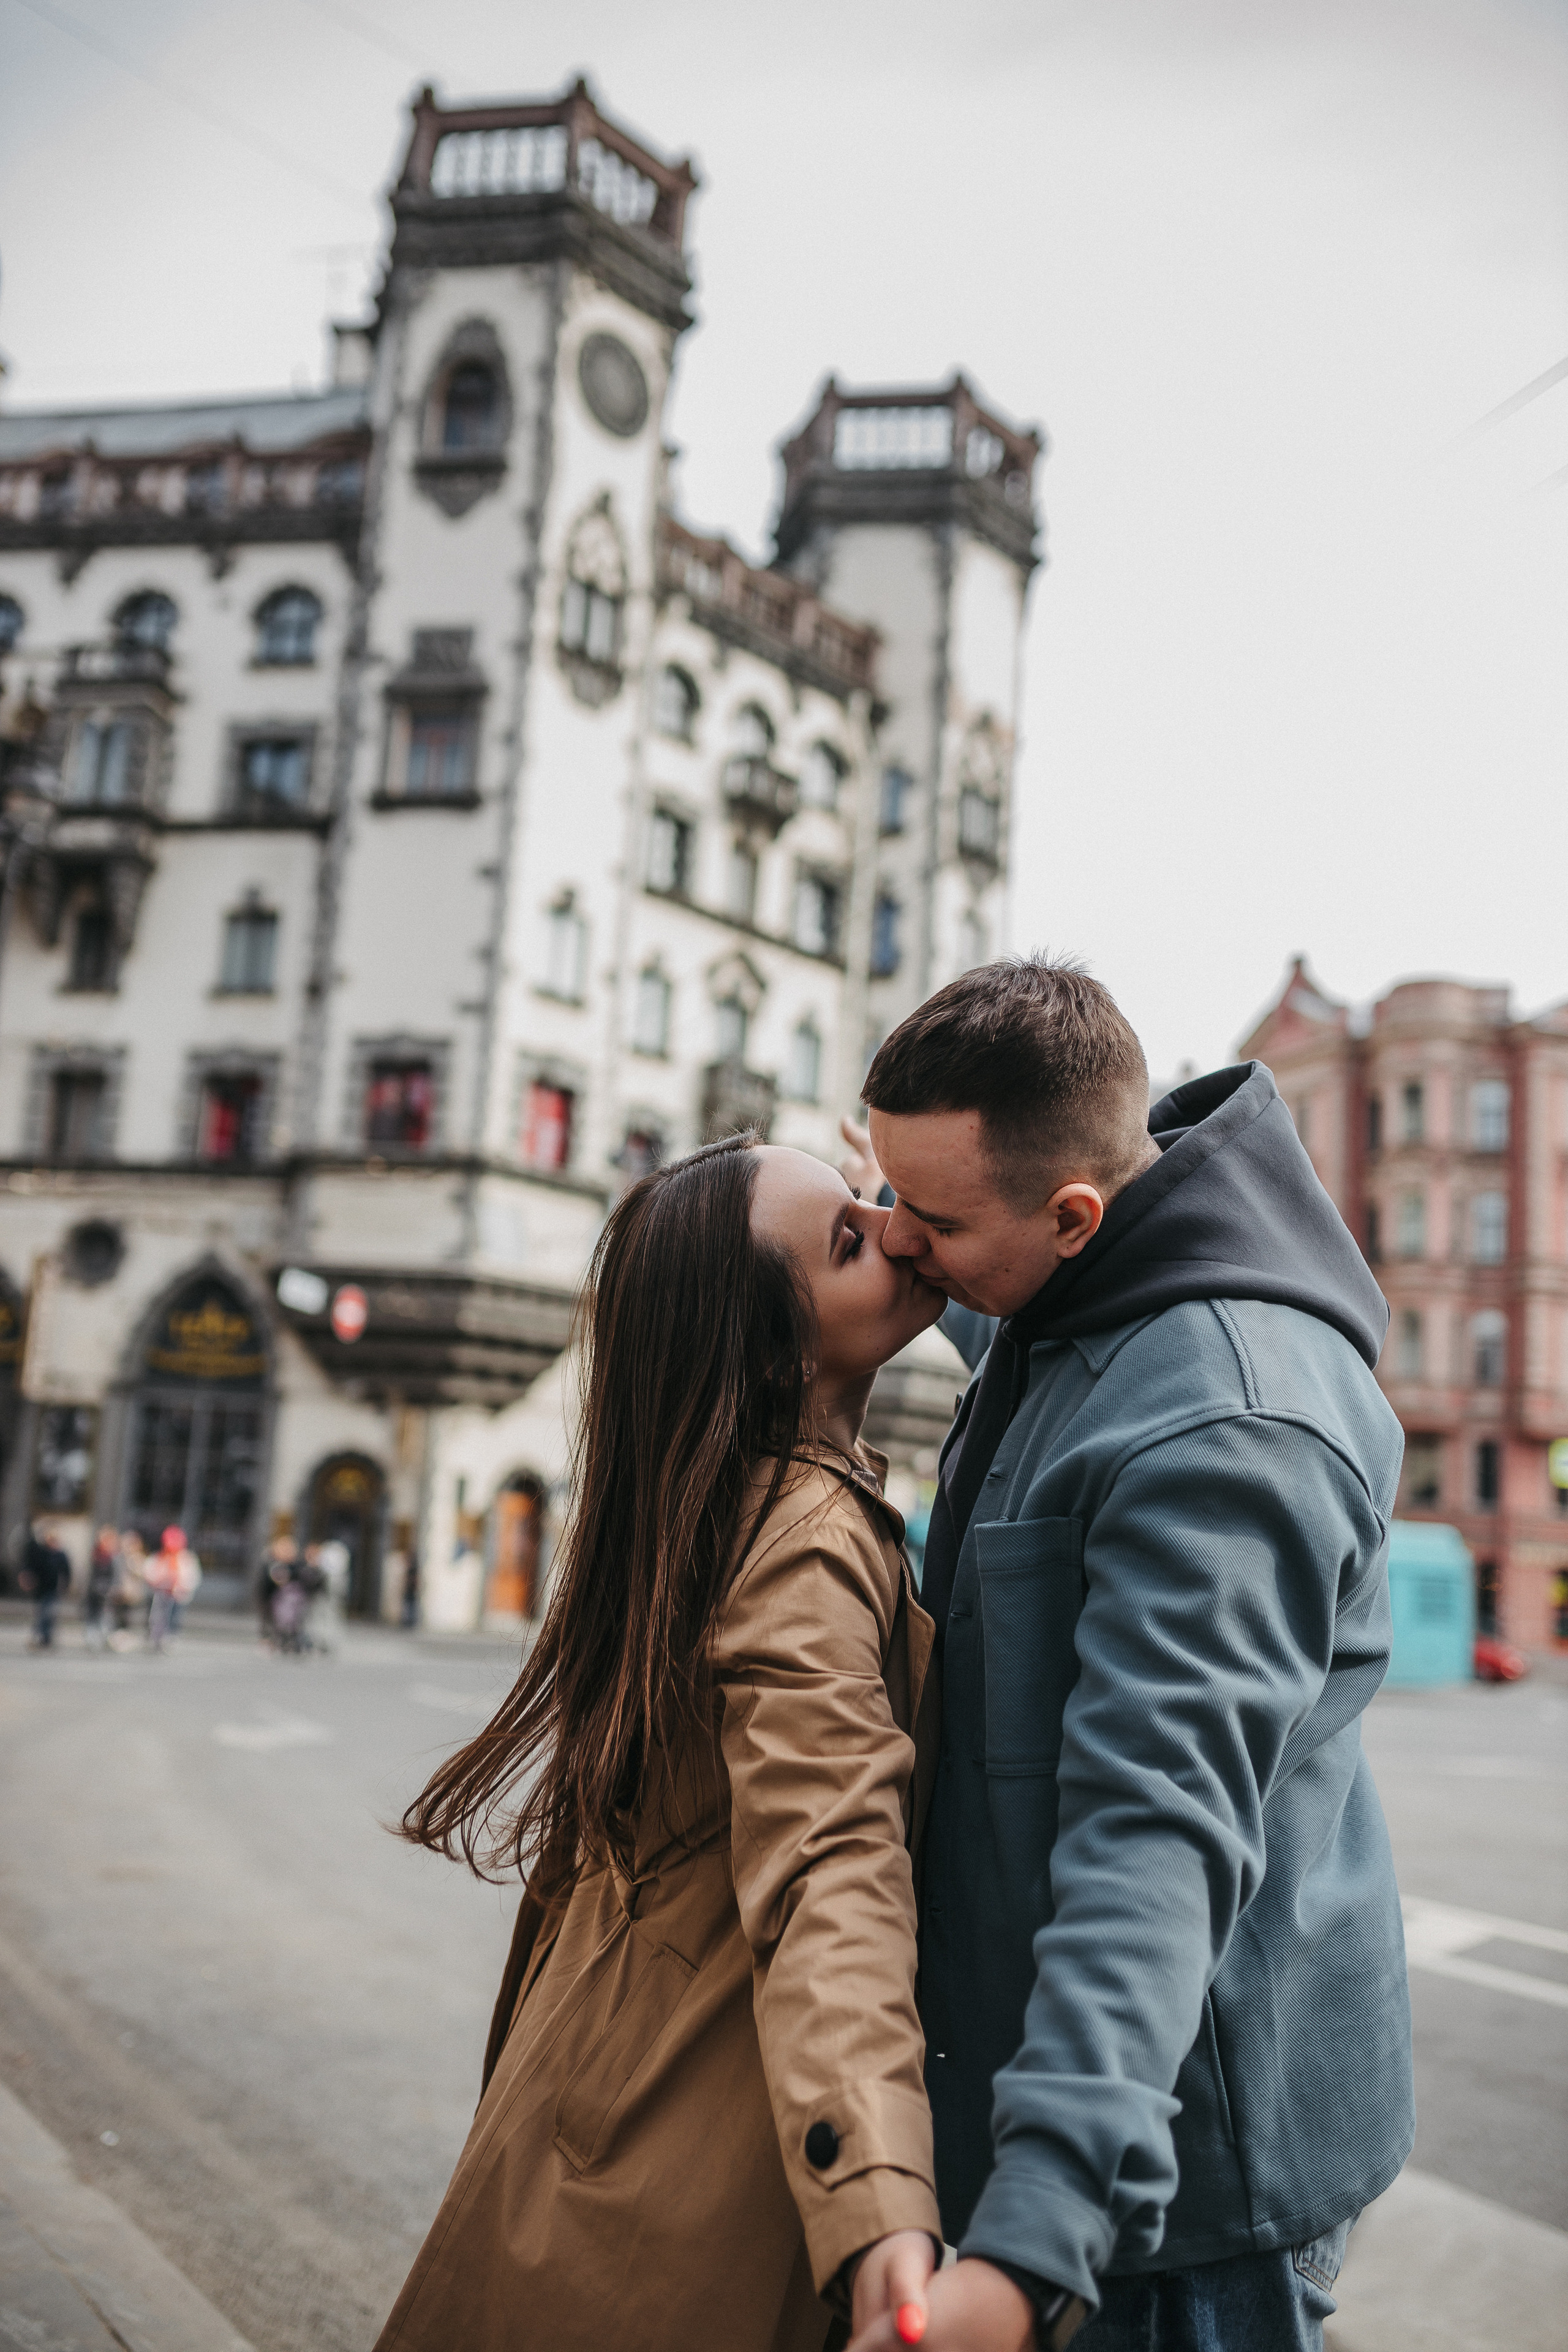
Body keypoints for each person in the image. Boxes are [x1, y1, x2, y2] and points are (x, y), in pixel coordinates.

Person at [846, 957, 1412, 2352]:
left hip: (1177, 2190)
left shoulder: (1223, 1417)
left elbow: (1154, 1834)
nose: (897, 1238)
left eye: (927, 1215)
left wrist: (1040, 2234)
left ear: (1074, 1214)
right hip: (1068, 2120)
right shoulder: (1065, 1284)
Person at [376, 1133, 952, 2352]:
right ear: (772, 1349)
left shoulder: (716, 1493)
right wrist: (877, 2196)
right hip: (672, 2162)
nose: (893, 1228)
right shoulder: (800, 1536)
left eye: (870, 1199)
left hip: (599, 2107)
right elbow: (829, 1862)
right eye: (848, 1236)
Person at [20, 1520, 71, 1651]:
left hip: (54, 1588)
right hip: (41, 1587)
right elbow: (33, 1567)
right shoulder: (41, 1552)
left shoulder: (60, 1555)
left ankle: (45, 1637)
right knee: (43, 1613)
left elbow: (66, 1571)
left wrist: (66, 1585)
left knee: (48, 1613)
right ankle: (42, 1637)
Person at [83, 1524, 119, 1651]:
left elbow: (116, 1576)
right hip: (94, 1592)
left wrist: (112, 1589)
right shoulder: (96, 1555)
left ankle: (104, 1639)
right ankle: (92, 1640)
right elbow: (91, 1575)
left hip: (107, 1593)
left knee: (106, 1616)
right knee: (92, 1616)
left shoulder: (114, 1557)